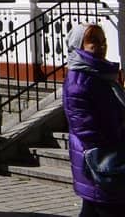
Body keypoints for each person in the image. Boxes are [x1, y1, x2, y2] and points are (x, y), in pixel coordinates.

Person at [63, 23, 125, 216]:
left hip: (105, 159)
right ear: (79, 45)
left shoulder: (99, 74)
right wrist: (117, 136)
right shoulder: (79, 82)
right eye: (94, 42)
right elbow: (86, 128)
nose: (101, 46)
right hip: (99, 160)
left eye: (103, 41)